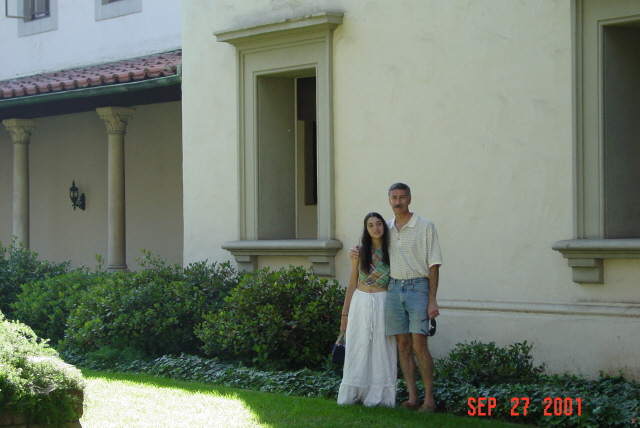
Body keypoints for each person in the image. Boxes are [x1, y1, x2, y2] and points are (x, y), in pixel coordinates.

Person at [350, 183, 442, 412]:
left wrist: (432, 299)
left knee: (420, 344)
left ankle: (429, 400)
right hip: (393, 289)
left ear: (409, 199)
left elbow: (434, 264)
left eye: (402, 197)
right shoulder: (387, 228)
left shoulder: (425, 226)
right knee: (402, 344)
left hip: (418, 288)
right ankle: (412, 399)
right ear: (389, 201)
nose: (398, 201)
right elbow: (372, 245)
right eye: (394, 198)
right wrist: (356, 252)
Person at [337, 212, 398, 407]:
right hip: (360, 300)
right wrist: (344, 314)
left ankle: (380, 396)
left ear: (384, 227)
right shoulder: (359, 252)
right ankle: (355, 393)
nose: (375, 228)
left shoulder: (392, 251)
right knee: (358, 344)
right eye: (371, 225)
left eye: (378, 224)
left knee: (382, 345)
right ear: (367, 229)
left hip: (383, 300)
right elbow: (352, 283)